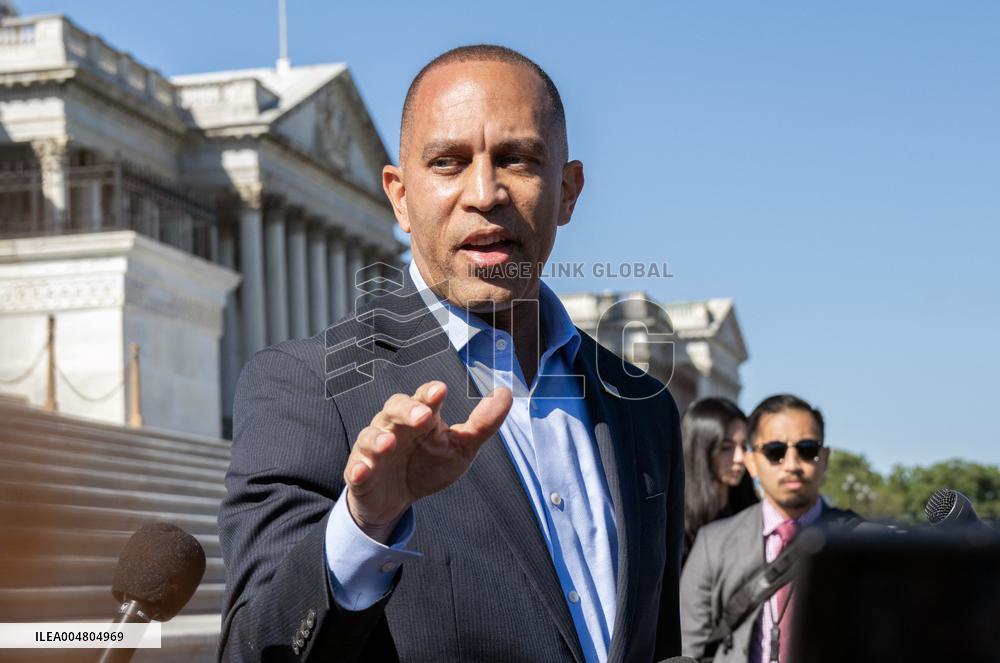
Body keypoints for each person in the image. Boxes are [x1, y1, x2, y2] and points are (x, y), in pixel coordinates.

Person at [218, 45, 685, 662]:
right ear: (401, 197)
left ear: (568, 190)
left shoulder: (643, 405)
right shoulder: (310, 387)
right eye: (448, 162)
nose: (485, 193)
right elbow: (257, 649)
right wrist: (365, 525)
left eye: (517, 159)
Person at [679, 394, 856, 663]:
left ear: (825, 457)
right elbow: (690, 648)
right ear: (752, 463)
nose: (792, 464)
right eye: (775, 452)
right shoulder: (712, 542)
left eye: (807, 449)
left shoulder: (863, 542)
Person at [680, 398, 758, 564]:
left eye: (744, 447)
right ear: (700, 450)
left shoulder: (753, 514)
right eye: (726, 448)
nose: (740, 458)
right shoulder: (674, 522)